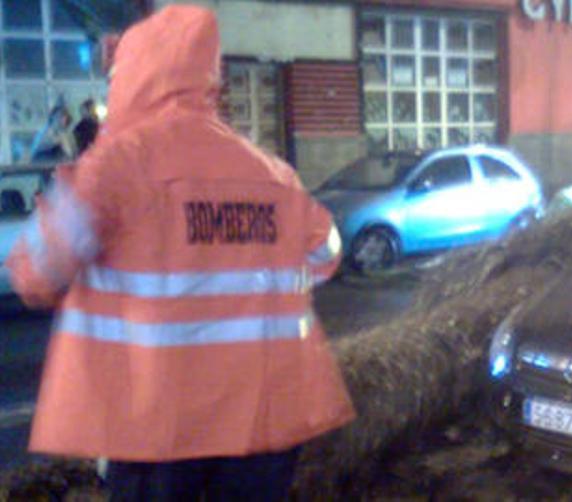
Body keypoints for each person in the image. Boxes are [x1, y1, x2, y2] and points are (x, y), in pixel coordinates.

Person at [4, 6, 355, 501]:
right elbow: (325, 254)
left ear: (135, 76)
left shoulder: (114, 166)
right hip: (263, 426)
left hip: (161, 431)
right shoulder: (271, 173)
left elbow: (35, 273)